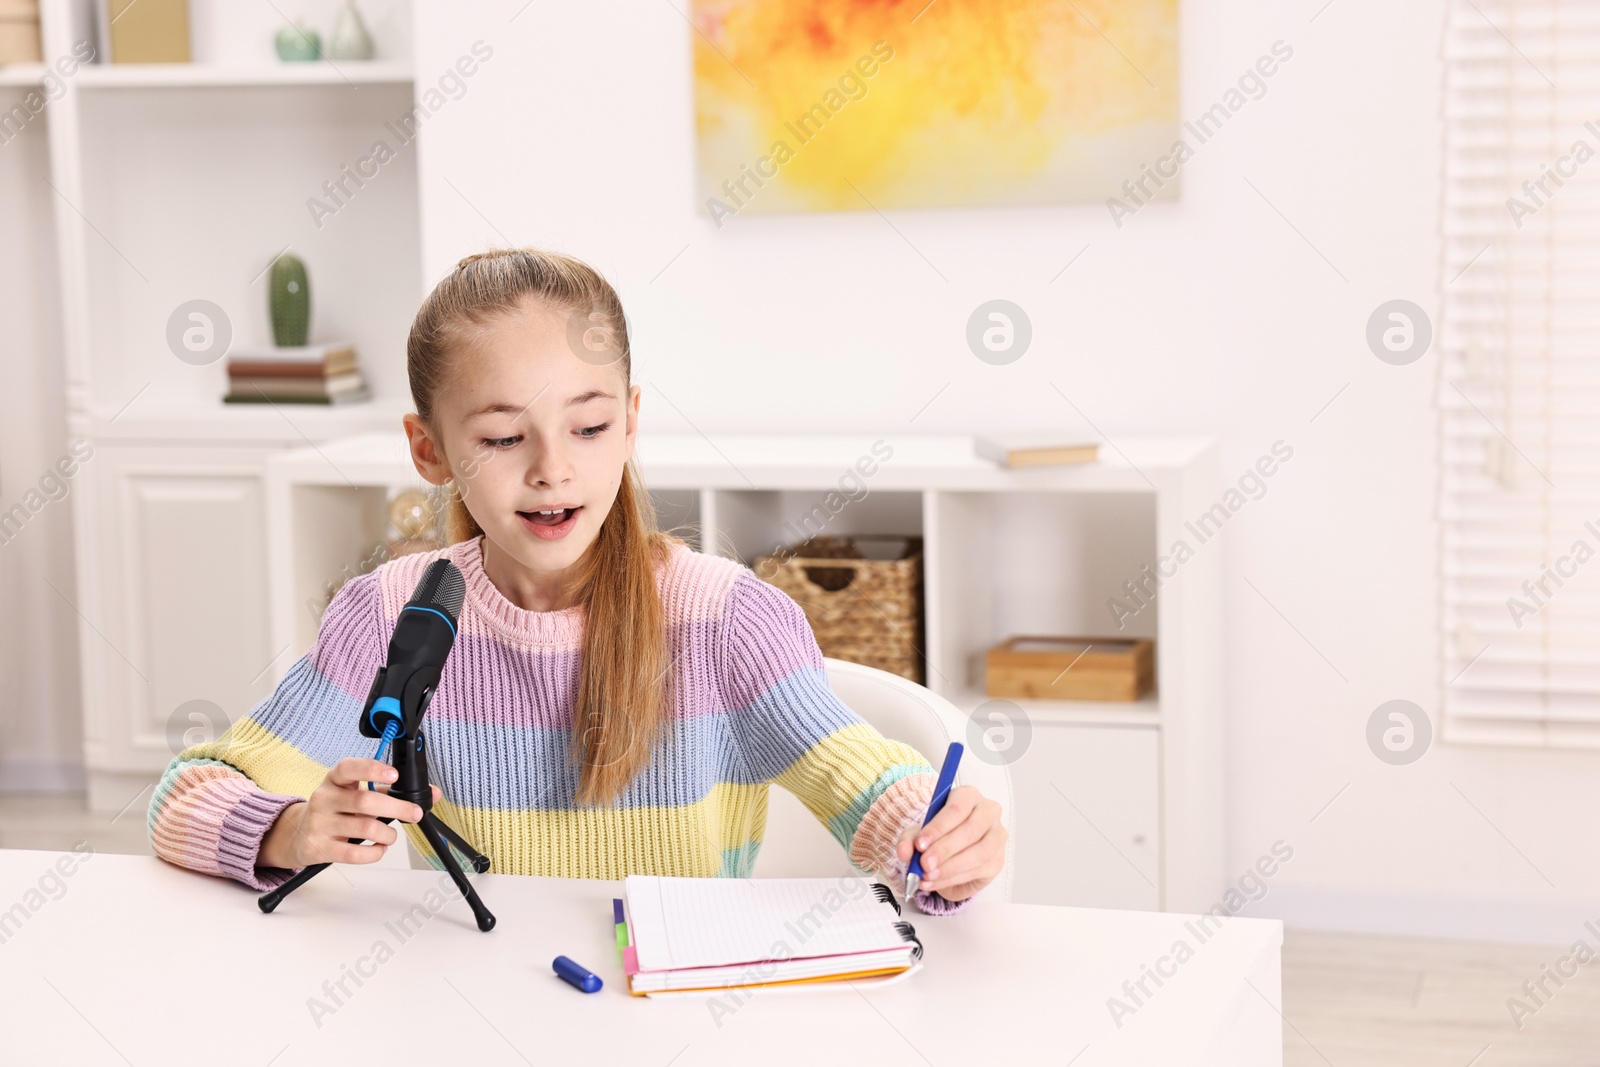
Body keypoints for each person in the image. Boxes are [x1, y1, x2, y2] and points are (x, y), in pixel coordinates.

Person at [148, 248, 1006, 912]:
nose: (553, 470)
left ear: (630, 421)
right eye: (501, 437)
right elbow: (184, 796)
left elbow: (870, 789)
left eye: (588, 425)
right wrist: (293, 828)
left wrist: (939, 835)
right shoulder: (389, 616)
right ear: (429, 450)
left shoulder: (727, 619)